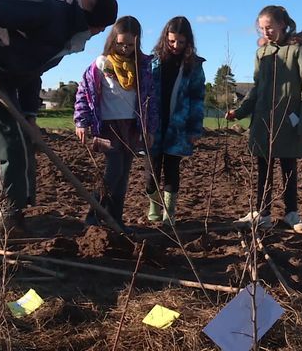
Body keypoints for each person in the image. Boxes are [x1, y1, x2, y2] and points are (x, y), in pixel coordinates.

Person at [0, 0, 118, 271]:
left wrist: (30, 113)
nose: (99, 34)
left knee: (17, 146)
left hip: (4, 82)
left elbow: (32, 71)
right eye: (100, 27)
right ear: (92, 22)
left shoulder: (67, 37)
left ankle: (10, 222)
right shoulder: (46, 10)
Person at [226, 5, 302, 231]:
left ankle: (291, 213)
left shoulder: (300, 50)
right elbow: (257, 89)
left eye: (269, 27)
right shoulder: (261, 53)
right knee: (263, 169)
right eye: (261, 29)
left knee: (289, 166)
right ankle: (262, 213)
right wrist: (240, 111)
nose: (265, 32)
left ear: (282, 24)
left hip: (289, 120)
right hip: (263, 121)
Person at [74, 16, 158, 230]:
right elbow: (84, 94)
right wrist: (81, 122)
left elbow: (150, 99)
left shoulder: (143, 66)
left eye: (130, 45)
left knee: (124, 174)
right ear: (113, 40)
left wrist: (149, 128)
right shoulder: (100, 65)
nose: (125, 49)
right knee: (114, 170)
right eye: (121, 43)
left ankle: (115, 219)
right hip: (107, 127)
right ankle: (93, 216)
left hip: (131, 126)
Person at [145, 16, 206, 225]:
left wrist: (194, 129)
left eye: (181, 42)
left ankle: (169, 212)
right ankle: (154, 204)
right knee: (151, 172)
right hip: (153, 126)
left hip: (178, 127)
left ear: (188, 41)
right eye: (172, 41)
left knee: (172, 171)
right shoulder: (152, 62)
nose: (176, 46)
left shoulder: (194, 66)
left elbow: (198, 98)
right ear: (165, 38)